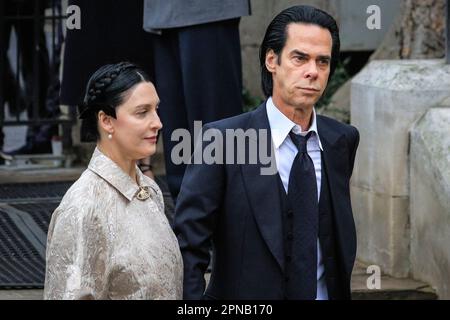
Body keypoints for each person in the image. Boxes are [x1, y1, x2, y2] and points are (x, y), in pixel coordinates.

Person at [174, 6, 360, 300]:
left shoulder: (342, 140)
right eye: (300, 58)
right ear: (271, 60)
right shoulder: (222, 140)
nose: (313, 71)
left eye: (322, 62)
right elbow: (188, 246)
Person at [44, 62, 183, 300]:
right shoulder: (82, 209)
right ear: (106, 120)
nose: (158, 122)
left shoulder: (149, 190)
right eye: (142, 112)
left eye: (156, 109)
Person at [143, 0, 251, 201]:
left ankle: (226, 213)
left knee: (215, 123)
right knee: (176, 124)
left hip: (207, 12)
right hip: (161, 14)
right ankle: (187, 216)